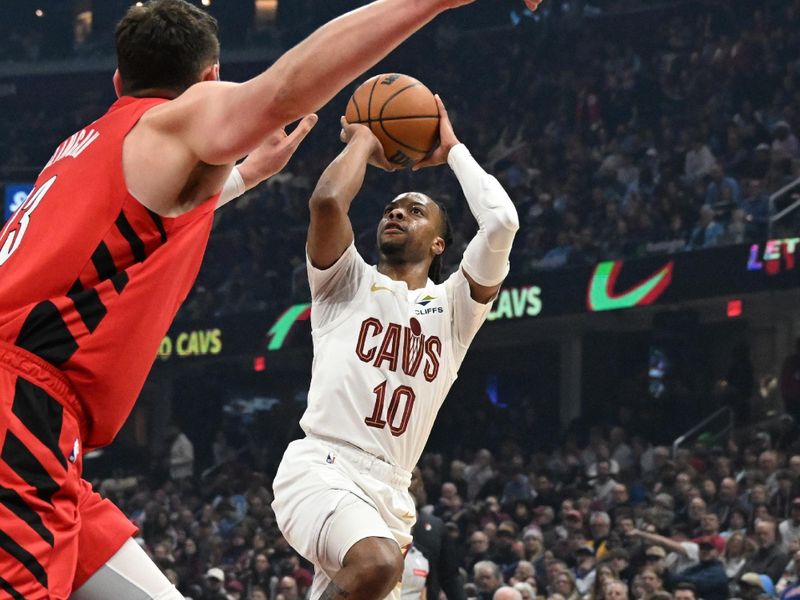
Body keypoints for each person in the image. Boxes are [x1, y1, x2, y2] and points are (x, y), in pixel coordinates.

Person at [0, 0, 480, 597]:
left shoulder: (79, 150)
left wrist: (248, 176)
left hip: (43, 429)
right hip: (19, 413)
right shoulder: (172, 119)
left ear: (118, 79)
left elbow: (135, 232)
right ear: (209, 79)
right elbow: (284, 88)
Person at [271, 94, 520, 600]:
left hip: (393, 492)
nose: (396, 212)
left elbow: (501, 223)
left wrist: (452, 150)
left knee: (373, 571)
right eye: (390, 208)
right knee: (378, 564)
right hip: (323, 466)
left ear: (440, 244)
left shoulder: (455, 310)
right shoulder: (345, 282)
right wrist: (363, 140)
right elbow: (326, 204)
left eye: (414, 210)